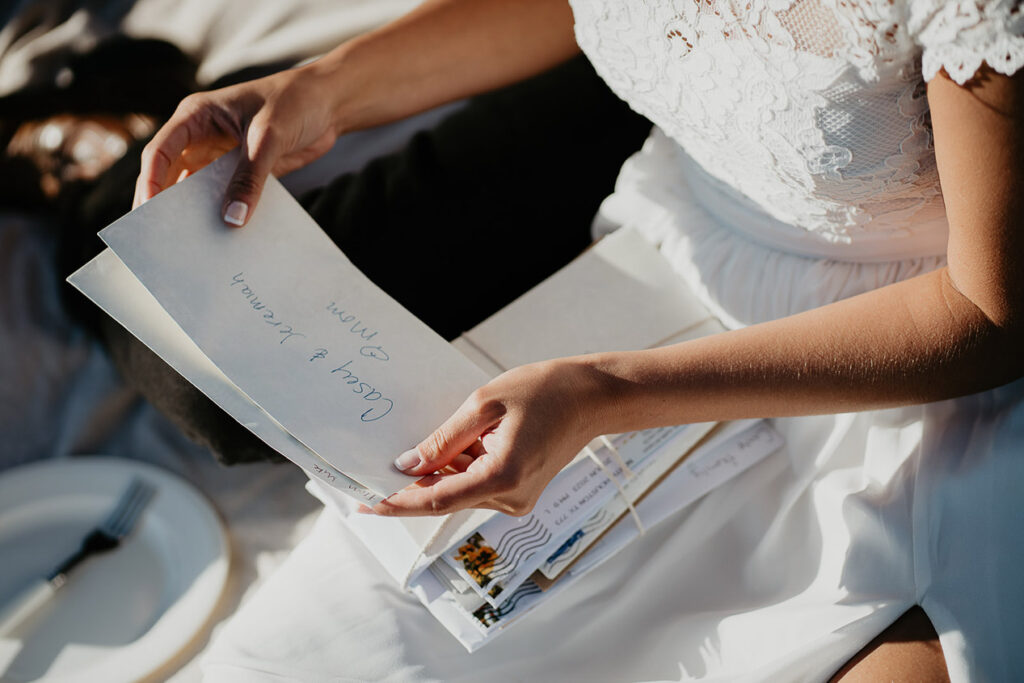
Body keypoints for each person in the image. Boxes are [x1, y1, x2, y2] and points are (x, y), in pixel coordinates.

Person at [133, 0, 1023, 679]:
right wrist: (318, 90)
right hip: (653, 275)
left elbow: (993, 312)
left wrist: (608, 393)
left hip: (909, 383)